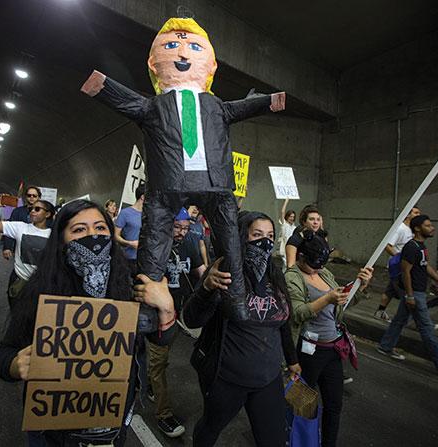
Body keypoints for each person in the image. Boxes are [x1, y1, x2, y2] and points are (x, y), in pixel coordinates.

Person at [81, 17, 286, 322]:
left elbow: (241, 108)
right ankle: (147, 308)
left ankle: (238, 299)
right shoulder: (154, 106)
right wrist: (103, 87)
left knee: (230, 244)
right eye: (172, 45)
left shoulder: (217, 107)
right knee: (154, 243)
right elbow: (127, 100)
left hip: (215, 184)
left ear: (212, 65)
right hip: (166, 186)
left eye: (193, 47)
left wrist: (268, 102)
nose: (182, 54)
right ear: (154, 63)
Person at [0, 199, 177, 446]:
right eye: (80, 230)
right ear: (61, 239)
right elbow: (4, 355)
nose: (93, 236)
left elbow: (160, 339)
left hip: (111, 419)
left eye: (101, 228)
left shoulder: (130, 283)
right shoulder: (41, 289)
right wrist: (16, 365)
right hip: (54, 428)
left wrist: (166, 309)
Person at [182, 211, 300, 446]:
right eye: (257, 235)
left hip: (268, 377)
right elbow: (192, 319)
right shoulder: (224, 272)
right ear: (241, 237)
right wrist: (206, 288)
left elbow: (283, 322)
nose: (264, 242)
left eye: (270, 235)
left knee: (274, 438)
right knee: (211, 427)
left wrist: (292, 359)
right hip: (228, 378)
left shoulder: (275, 275)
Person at [285, 231, 373, 447]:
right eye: (313, 264)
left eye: (320, 265)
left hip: (333, 349)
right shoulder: (291, 277)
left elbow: (342, 303)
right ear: (302, 257)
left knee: (334, 405)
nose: (317, 269)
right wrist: (326, 298)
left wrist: (360, 286)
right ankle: (297, 440)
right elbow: (297, 313)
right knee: (303, 404)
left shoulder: (324, 273)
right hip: (308, 352)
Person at [377, 215, 438, 376]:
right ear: (418, 228)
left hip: (416, 293)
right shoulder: (411, 247)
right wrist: (410, 295)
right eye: (428, 225)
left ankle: (385, 346)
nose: (432, 228)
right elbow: (406, 272)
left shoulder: (421, 246)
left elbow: (426, 268)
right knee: (426, 329)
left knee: (399, 321)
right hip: (415, 294)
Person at [148, 208, 205, 438]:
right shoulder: (156, 244)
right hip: (158, 315)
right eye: (177, 227)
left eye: (185, 227)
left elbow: (200, 272)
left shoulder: (191, 242)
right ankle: (163, 416)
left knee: (161, 359)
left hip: (180, 313)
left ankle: (149, 381)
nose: (181, 232)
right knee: (159, 363)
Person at [0, 196, 53, 307]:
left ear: (47, 214)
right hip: (20, 280)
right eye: (31, 209)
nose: (32, 211)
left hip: (41, 283)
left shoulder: (54, 234)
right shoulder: (20, 227)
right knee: (16, 314)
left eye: (37, 209)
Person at [374, 206, 421, 322]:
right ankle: (418, 321)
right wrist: (400, 259)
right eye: (416, 212)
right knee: (408, 295)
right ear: (408, 214)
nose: (419, 215)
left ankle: (380, 312)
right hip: (399, 268)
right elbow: (387, 245)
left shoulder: (413, 230)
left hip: (405, 267)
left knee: (390, 291)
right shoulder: (400, 228)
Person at [1, 186, 42, 261]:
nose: (31, 197)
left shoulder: (44, 212)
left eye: (34, 195)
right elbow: (10, 229)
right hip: (19, 249)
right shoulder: (18, 211)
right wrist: (7, 247)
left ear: (39, 197)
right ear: (26, 197)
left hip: (38, 248)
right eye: (29, 195)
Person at [114, 184, 144, 274]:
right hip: (129, 259)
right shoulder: (125, 213)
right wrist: (129, 243)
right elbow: (115, 235)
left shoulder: (149, 214)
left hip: (145, 259)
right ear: (143, 197)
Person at [274, 198, 296, 270]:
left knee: (289, 266)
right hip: (284, 248)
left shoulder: (294, 227)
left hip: (291, 248)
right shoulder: (284, 224)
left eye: (293, 217)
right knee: (286, 265)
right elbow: (282, 211)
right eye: (290, 216)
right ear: (287, 216)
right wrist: (287, 200)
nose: (292, 218)